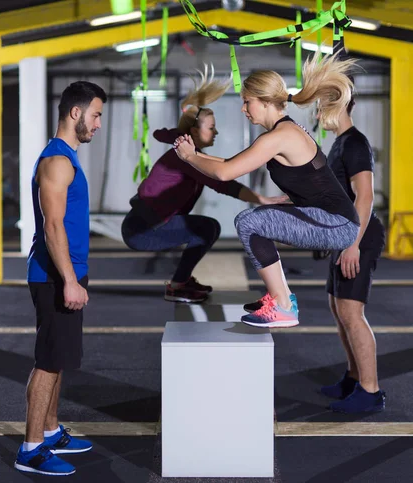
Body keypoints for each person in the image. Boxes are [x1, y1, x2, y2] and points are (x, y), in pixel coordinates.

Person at [174, 54, 361, 329]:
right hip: (330, 218)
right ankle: (281, 299)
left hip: (337, 223)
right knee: (256, 219)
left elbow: (225, 174)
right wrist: (191, 154)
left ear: (264, 102)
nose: (243, 109)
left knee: (250, 222)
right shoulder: (278, 133)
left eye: (246, 102)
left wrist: (191, 158)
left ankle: (283, 306)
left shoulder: (281, 136)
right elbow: (228, 163)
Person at [121, 68, 286, 303]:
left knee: (206, 228)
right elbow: (222, 182)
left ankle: (181, 282)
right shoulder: (186, 157)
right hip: (142, 229)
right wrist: (263, 199)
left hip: (146, 225)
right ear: (194, 131)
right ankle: (178, 286)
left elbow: (163, 134)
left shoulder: (189, 154)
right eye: (211, 127)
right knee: (207, 228)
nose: (216, 131)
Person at [14, 81, 107, 476]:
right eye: (97, 115)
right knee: (48, 361)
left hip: (66, 272)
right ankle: (31, 448)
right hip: (53, 276)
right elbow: (53, 226)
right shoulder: (57, 161)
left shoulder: (67, 157)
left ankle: (50, 431)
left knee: (59, 358)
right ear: (76, 113)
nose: (99, 124)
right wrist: (70, 280)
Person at [319, 83, 386, 413]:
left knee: (351, 312)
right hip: (342, 237)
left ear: (338, 106)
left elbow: (366, 196)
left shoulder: (355, 143)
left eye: (321, 107)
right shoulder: (339, 144)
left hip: (359, 237)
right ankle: (352, 377)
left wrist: (353, 245)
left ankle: (370, 391)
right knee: (337, 308)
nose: (317, 113)